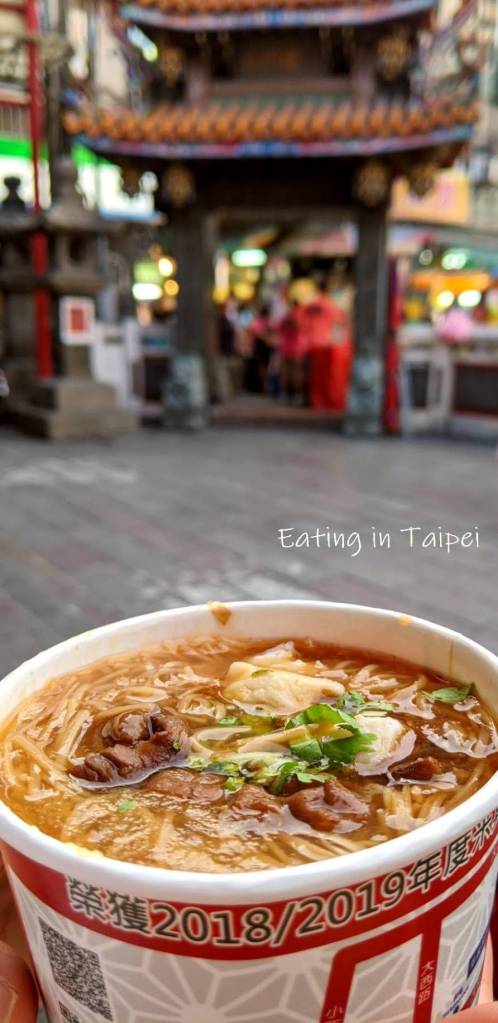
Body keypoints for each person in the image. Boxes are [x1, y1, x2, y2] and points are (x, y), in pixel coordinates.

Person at [302, 278, 352, 413]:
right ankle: (325, 402)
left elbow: (301, 322)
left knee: (314, 377)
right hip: (326, 344)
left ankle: (315, 401)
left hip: (311, 344)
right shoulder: (331, 306)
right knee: (327, 377)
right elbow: (340, 324)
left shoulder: (309, 305)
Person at [276, 299, 308, 405]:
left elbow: (279, 329)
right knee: (297, 374)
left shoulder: (287, 316)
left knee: (286, 373)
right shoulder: (301, 316)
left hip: (285, 347)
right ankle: (298, 397)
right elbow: (304, 330)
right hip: (298, 348)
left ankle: (287, 396)